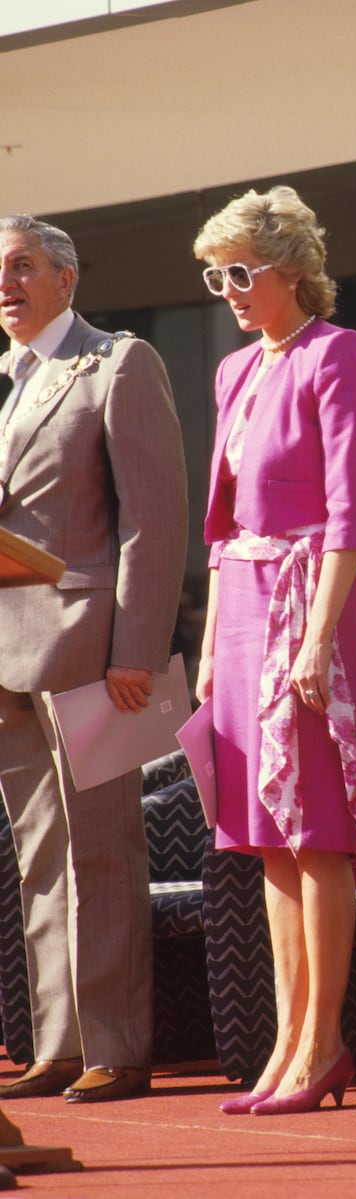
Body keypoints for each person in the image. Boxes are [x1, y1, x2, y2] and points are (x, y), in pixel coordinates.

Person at [193, 187, 356, 1116]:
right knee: (265, 838)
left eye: (239, 271)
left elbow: (351, 512)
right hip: (238, 605)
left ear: (293, 271)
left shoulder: (336, 354)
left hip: (311, 599)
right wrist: (204, 648)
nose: (225, 288)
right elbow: (221, 525)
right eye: (214, 273)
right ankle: (285, 1040)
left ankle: (326, 1039)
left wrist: (316, 641)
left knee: (314, 831)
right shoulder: (234, 371)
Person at [0, 215, 188, 1102]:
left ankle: (117, 1042)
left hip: (91, 650)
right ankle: (60, 1041)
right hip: (5, 655)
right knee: (39, 854)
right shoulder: (4, 379)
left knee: (102, 850)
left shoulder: (117, 363)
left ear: (66, 280)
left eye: (22, 266)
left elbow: (153, 520)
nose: (7, 283)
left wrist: (137, 652)